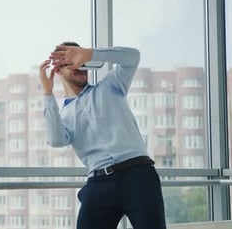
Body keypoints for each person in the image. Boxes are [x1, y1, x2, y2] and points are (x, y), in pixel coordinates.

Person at [39, 42, 167, 229]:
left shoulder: (111, 86)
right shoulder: (63, 115)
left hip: (138, 175)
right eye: (71, 62)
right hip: (99, 184)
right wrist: (47, 93)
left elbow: (132, 57)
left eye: (81, 61)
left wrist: (90, 54)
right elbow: (56, 140)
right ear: (58, 70)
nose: (80, 67)